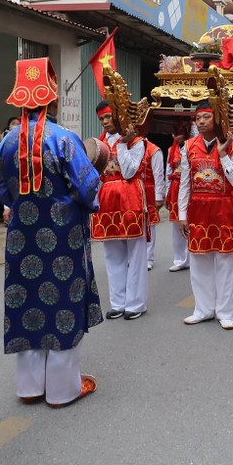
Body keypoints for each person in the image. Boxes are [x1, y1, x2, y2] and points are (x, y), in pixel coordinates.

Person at [0, 57, 102, 408]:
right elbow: (86, 187)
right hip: (63, 237)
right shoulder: (65, 139)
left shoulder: (7, 141)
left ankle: (29, 387)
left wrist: (25, 207)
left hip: (22, 237)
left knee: (27, 303)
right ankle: (61, 389)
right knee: (63, 304)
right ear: (52, 100)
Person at [178, 100, 233, 329]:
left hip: (225, 210)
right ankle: (203, 309)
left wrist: (223, 154)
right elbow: (184, 183)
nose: (202, 122)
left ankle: (226, 312)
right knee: (199, 260)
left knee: (227, 262)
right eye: (199, 118)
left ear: (216, 119)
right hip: (198, 210)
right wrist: (181, 214)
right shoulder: (187, 147)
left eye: (206, 117)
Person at [90, 101, 149, 320]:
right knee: (112, 253)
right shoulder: (98, 144)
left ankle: (136, 303)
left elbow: (129, 171)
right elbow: (95, 176)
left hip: (130, 198)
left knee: (135, 254)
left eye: (108, 118)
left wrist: (123, 144)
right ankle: (118, 302)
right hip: (106, 201)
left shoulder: (137, 142)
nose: (105, 122)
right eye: (102, 119)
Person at [140, 134, 165, 271]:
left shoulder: (153, 150)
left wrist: (159, 196)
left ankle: (149, 258)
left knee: (150, 224)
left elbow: (158, 174)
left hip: (148, 190)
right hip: (133, 190)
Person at [165, 131, 189, 272]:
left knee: (191, 223)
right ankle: (179, 259)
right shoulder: (171, 150)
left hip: (189, 187)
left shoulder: (191, 146)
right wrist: (166, 194)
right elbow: (168, 171)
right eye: (174, 133)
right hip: (175, 188)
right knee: (176, 225)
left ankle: (192, 256)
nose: (176, 136)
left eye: (179, 133)